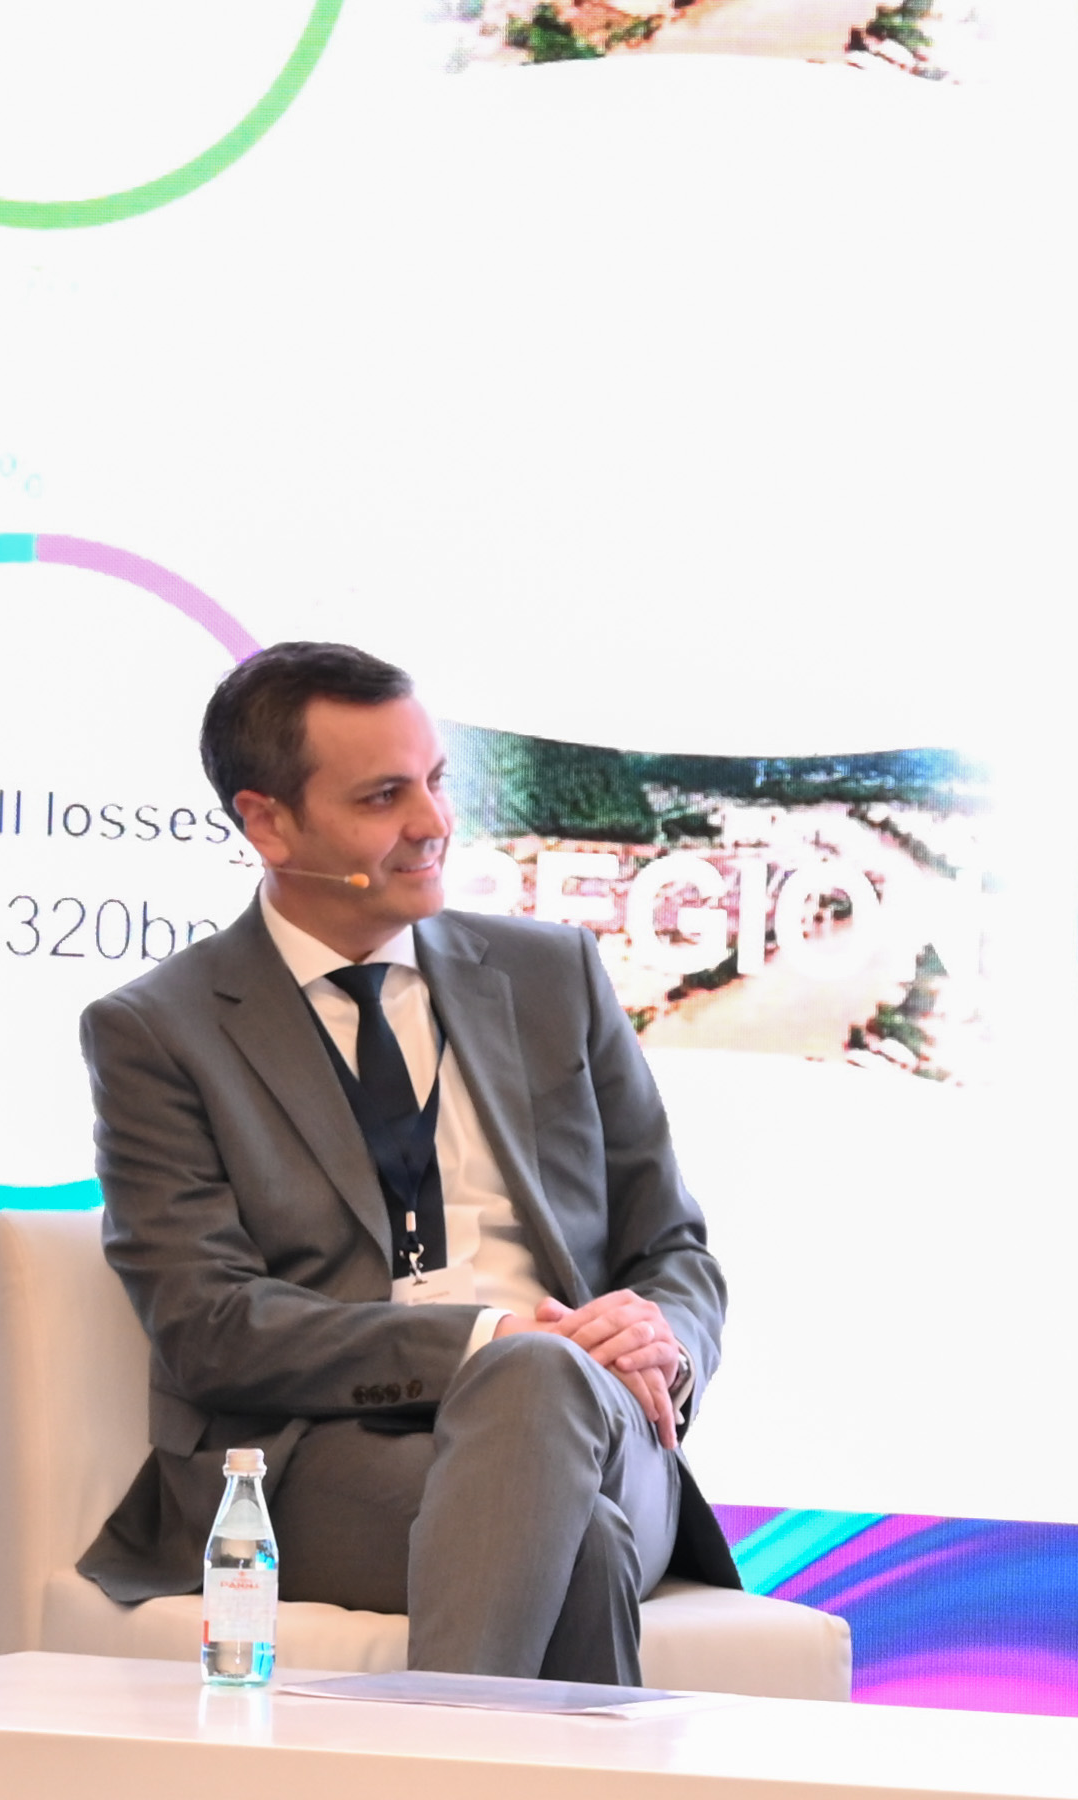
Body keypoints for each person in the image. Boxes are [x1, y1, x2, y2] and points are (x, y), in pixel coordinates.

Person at [80, 643, 737, 1682]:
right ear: (268, 823)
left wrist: (665, 1337)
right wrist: (486, 1340)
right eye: (384, 797)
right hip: (329, 1457)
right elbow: (211, 1326)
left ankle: (423, 1777)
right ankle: (482, 1781)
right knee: (581, 1542)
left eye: (435, 780)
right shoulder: (160, 1030)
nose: (433, 822)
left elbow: (673, 1247)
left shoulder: (554, 974)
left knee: (546, 1390)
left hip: (604, 1422)